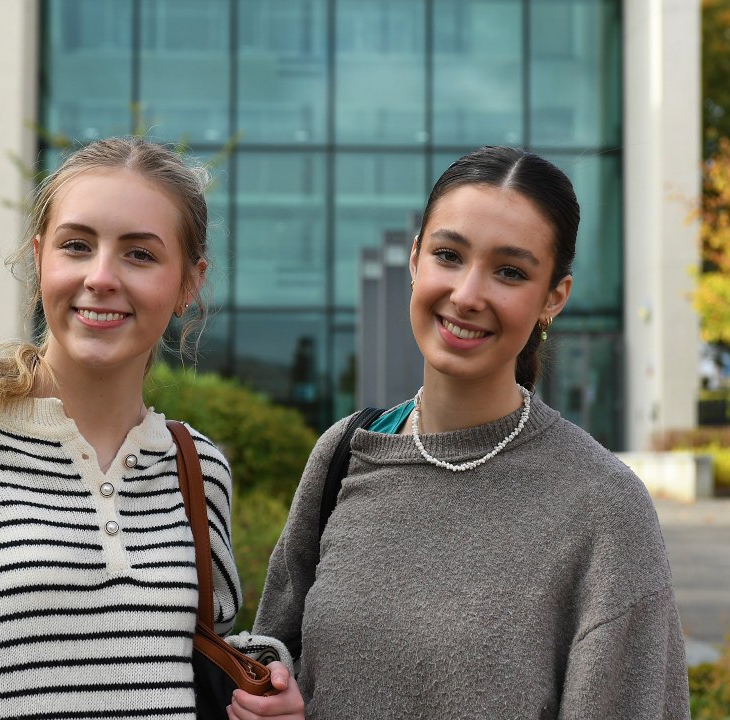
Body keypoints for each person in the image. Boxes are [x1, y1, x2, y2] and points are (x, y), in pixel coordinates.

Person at [0, 137, 302, 719]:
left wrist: (265, 688)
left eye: (140, 254)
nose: (101, 277)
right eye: (77, 246)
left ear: (189, 284)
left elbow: (190, 663)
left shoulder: (198, 468)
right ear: (40, 259)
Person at [239, 146, 691, 719]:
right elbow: (274, 658)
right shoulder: (345, 453)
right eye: (449, 255)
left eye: (510, 272)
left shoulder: (604, 507)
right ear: (414, 259)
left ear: (553, 298)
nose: (468, 294)